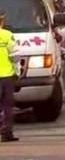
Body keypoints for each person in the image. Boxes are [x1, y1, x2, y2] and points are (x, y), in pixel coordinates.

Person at [0, 11, 19, 142]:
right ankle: (6, 133)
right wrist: (17, 72)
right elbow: (15, 56)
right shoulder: (7, 35)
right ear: (2, 21)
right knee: (7, 106)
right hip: (6, 76)